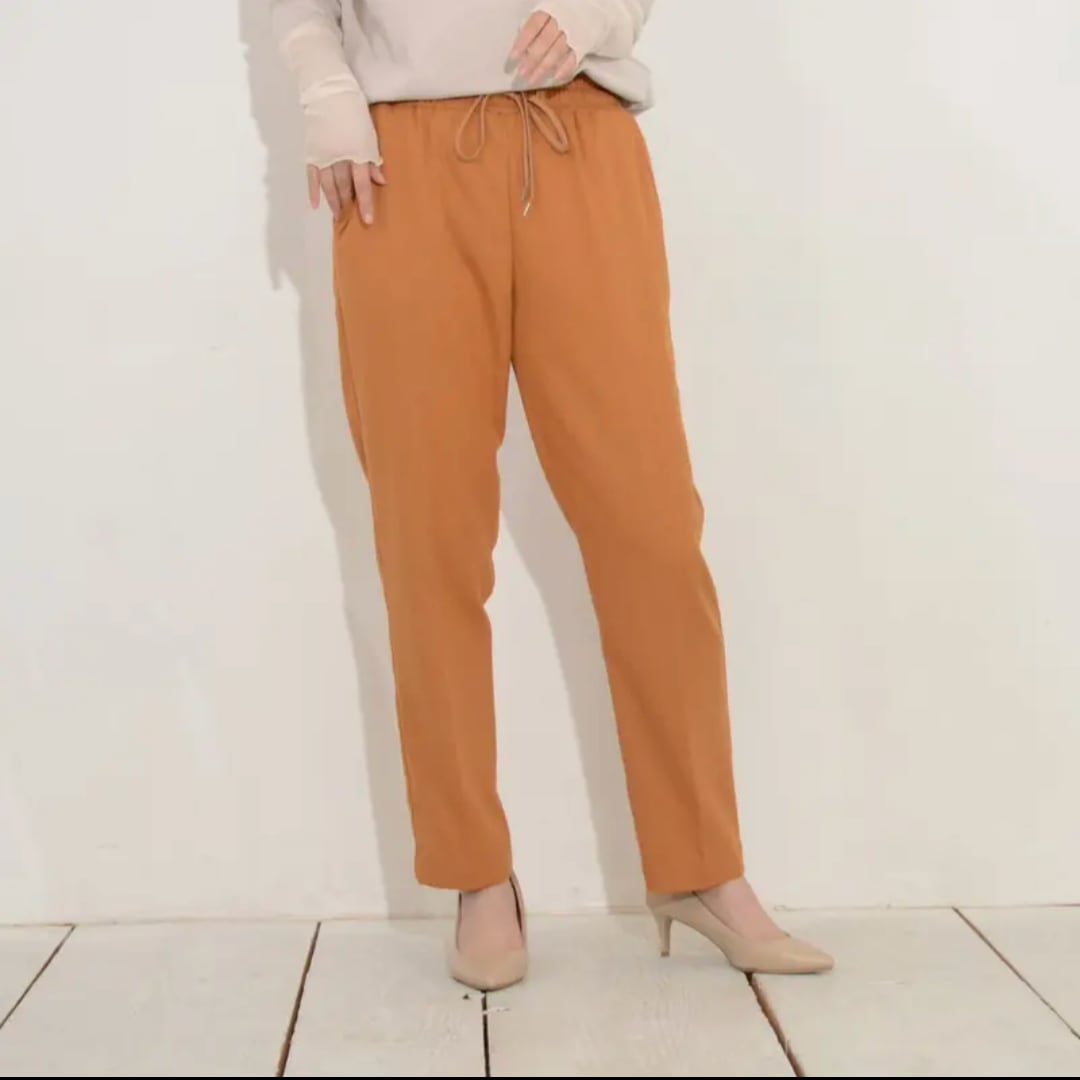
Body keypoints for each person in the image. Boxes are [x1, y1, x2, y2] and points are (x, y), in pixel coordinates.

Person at [270, 0, 833, 989]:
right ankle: (475, 876)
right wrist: (327, 96)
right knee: (428, 539)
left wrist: (588, 14)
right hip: (399, 165)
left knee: (651, 529)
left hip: (579, 140)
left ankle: (701, 867)